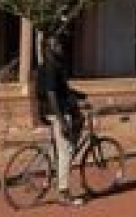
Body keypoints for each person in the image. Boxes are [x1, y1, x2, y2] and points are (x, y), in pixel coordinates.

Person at [34, 34, 87, 206]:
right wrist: (62, 120)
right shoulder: (52, 68)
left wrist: (80, 95)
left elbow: (60, 91)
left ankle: (52, 176)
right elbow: (51, 94)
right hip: (58, 113)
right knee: (66, 152)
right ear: (49, 49)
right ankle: (64, 192)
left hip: (48, 112)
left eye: (59, 44)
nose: (60, 47)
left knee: (60, 148)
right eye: (56, 45)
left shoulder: (45, 67)